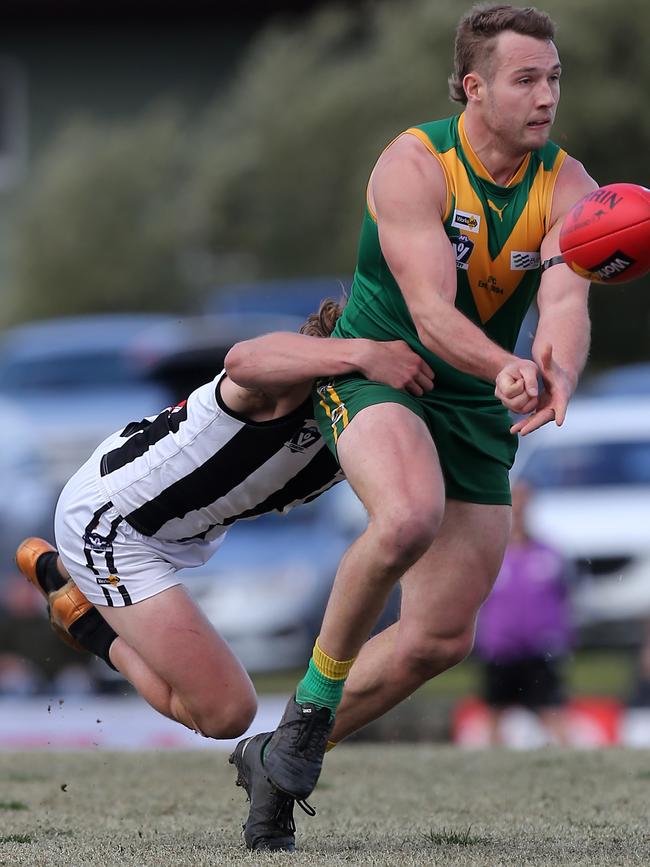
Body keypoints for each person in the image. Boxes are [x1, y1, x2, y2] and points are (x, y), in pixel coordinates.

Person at [233, 2, 597, 850]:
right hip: (381, 367)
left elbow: (566, 300)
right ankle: (312, 714)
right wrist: (503, 366)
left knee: (439, 639)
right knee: (405, 517)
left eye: (554, 79)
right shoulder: (414, 163)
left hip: (473, 399)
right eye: (526, 79)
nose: (547, 96)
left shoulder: (566, 183)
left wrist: (559, 371)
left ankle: (274, 753)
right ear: (474, 87)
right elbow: (431, 314)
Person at [15, 300, 433, 747]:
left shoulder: (376, 416)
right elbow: (242, 359)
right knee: (225, 714)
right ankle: (86, 622)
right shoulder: (295, 380)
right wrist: (363, 354)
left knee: (225, 711)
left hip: (171, 528)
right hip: (110, 525)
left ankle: (78, 593)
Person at [473, 480, 574, 745]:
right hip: (500, 649)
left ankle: (569, 762)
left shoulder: (549, 554)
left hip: (540, 649)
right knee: (496, 712)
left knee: (552, 711)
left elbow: (566, 597)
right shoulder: (491, 553)